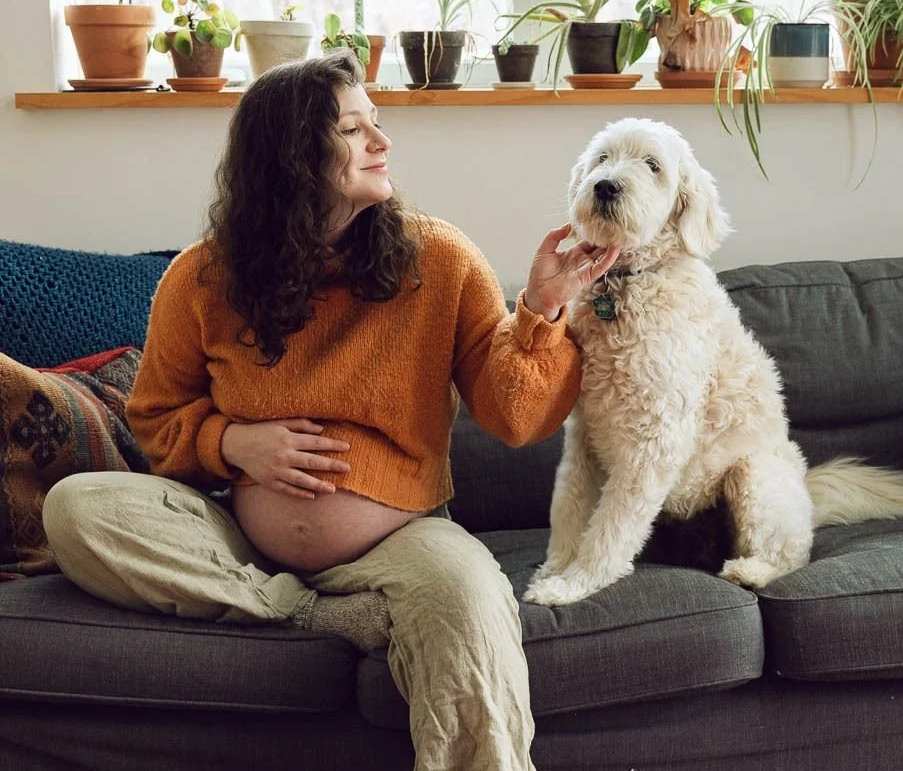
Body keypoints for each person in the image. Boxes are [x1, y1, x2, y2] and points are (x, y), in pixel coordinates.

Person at [40, 49, 619, 771]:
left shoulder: (436, 259)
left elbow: (515, 417)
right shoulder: (202, 277)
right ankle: (311, 613)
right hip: (239, 539)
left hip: (404, 540)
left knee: (470, 601)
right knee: (77, 507)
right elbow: (155, 421)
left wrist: (540, 308)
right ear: (291, 157)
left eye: (376, 124)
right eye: (353, 129)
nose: (382, 143)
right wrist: (232, 445)